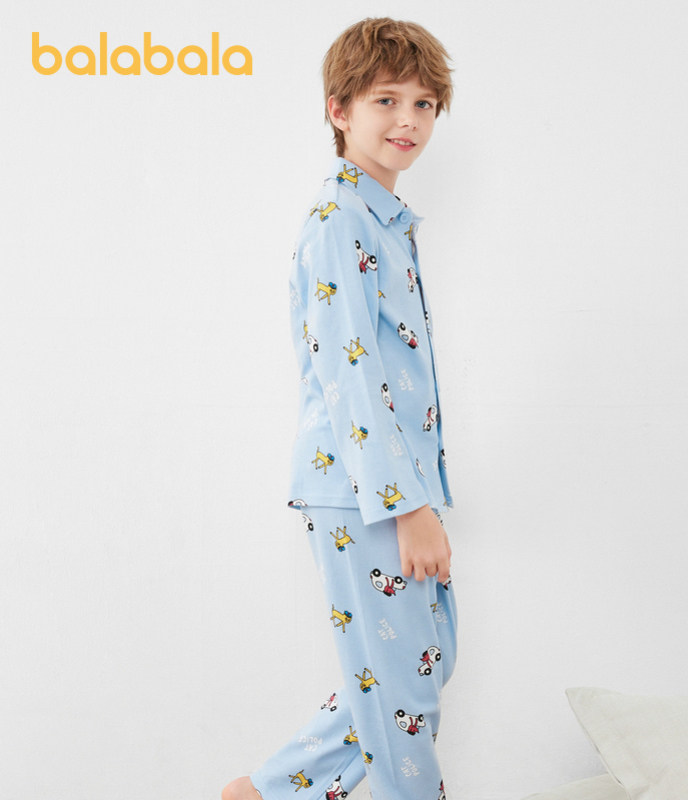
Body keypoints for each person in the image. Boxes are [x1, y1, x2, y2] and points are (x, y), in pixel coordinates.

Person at [223, 17, 457, 800]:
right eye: (386, 100)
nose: (407, 120)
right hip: (366, 491)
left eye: (424, 104)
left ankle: (266, 792)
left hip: (389, 486)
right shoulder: (339, 221)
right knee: (404, 699)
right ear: (339, 109)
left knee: (420, 667)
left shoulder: (382, 219)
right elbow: (351, 375)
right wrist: (408, 507)